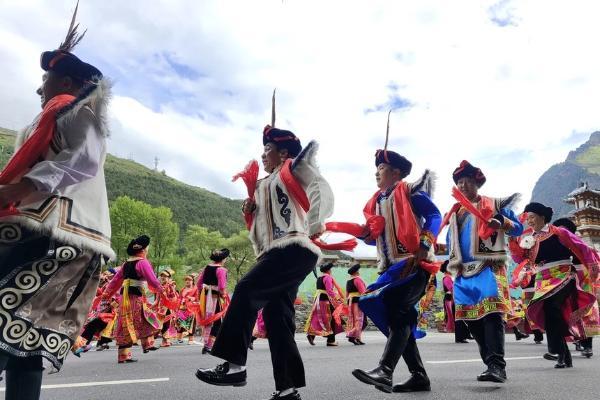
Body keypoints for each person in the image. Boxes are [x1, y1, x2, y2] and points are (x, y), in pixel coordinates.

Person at [0, 4, 113, 399]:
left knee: (10, 321)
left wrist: (19, 187)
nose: (39, 87)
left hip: (63, 235)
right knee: (23, 336)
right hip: (42, 229)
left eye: (46, 78)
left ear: (66, 80)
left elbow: (82, 160)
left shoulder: (78, 110)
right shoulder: (45, 117)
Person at [195, 115, 334, 400]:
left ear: (283, 152)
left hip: (294, 248)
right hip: (276, 252)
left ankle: (234, 366)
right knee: (277, 317)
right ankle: (287, 388)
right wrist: (251, 211)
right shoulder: (262, 185)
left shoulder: (293, 169)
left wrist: (316, 222)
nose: (263, 155)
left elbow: (321, 188)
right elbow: (263, 230)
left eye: (268, 149)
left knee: (246, 288)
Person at [345, 147, 441, 393]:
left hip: (413, 264)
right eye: (376, 168)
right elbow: (375, 238)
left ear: (396, 172)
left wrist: (425, 242)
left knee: (397, 309)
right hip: (390, 269)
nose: (376, 173)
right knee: (401, 317)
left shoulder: (409, 192)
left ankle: (385, 370)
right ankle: (419, 376)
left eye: (381, 168)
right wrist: (365, 233)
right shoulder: (376, 202)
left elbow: (434, 214)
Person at [444, 160, 523, 383]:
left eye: (467, 181)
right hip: (463, 272)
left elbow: (518, 227)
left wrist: (502, 223)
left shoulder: (494, 205)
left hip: (488, 267)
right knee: (471, 320)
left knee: (492, 315)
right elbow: (450, 240)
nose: (463, 185)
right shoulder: (454, 213)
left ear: (477, 183)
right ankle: (490, 363)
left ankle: (497, 366)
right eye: (459, 182)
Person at [519, 203, 598, 368]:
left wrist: (592, 268)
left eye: (532, 217)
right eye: (528, 218)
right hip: (543, 279)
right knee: (551, 314)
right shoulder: (529, 239)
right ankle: (563, 355)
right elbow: (523, 261)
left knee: (552, 307)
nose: (529, 220)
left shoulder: (559, 232)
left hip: (563, 275)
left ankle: (554, 349)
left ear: (542, 217)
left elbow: (582, 247)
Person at [102, 235, 164, 363]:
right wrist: (161, 290)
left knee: (126, 321)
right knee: (143, 318)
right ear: (144, 250)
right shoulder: (143, 262)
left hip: (124, 296)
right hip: (135, 297)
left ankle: (125, 354)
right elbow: (152, 279)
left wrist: (107, 293)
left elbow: (115, 281)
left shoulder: (126, 264)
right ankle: (147, 344)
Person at [552, 217, 599, 358]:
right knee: (568, 310)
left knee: (585, 310)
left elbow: (593, 260)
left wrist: (593, 274)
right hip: (565, 277)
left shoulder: (581, 244)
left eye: (564, 229)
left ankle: (587, 345)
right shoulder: (556, 245)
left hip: (582, 277)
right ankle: (577, 339)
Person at [197, 248, 230, 354]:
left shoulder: (207, 267)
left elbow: (199, 283)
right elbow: (222, 286)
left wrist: (201, 294)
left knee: (208, 319)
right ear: (223, 259)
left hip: (205, 296)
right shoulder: (221, 270)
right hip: (215, 297)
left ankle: (207, 343)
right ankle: (209, 345)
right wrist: (224, 295)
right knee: (217, 320)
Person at [305, 263, 345, 346]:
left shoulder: (319, 278)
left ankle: (311, 335)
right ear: (328, 270)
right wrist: (338, 298)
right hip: (325, 300)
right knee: (332, 318)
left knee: (318, 317)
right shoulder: (328, 277)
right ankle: (330, 340)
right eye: (330, 269)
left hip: (318, 300)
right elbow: (329, 291)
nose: (331, 271)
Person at [441, 261, 471, 343]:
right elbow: (452, 289)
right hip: (451, 300)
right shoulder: (447, 278)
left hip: (454, 299)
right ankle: (460, 337)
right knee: (458, 319)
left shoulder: (450, 277)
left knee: (460, 318)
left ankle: (464, 335)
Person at [156, 268, 178, 347]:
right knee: (162, 324)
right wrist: (154, 304)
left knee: (167, 323)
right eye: (162, 276)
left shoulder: (170, 285)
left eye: (165, 276)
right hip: (161, 308)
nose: (163, 277)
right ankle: (165, 339)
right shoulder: (160, 286)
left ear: (169, 278)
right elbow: (158, 298)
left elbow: (173, 296)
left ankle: (166, 340)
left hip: (168, 307)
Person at [346, 263, 367, 345]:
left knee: (354, 320)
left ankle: (357, 338)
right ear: (356, 272)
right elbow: (363, 292)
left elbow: (347, 294)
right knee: (360, 320)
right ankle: (352, 336)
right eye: (358, 271)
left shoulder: (349, 281)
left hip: (350, 301)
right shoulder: (358, 280)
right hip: (358, 301)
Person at [177, 274, 199, 344]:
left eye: (189, 280)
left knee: (191, 323)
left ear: (193, 281)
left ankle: (191, 339)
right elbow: (179, 298)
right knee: (180, 322)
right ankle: (179, 337)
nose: (187, 281)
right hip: (182, 308)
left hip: (191, 308)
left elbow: (197, 298)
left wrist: (192, 298)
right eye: (186, 280)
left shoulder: (195, 289)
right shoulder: (183, 289)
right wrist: (178, 305)